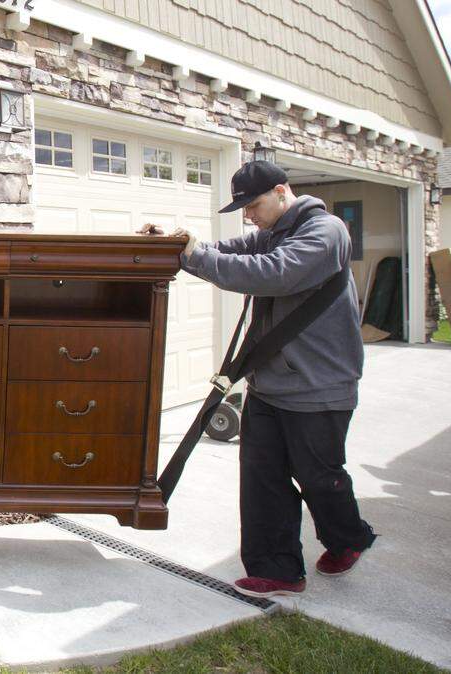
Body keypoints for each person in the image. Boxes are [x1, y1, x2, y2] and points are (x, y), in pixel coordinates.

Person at [139, 160, 376, 598]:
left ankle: (348, 537)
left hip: (319, 386)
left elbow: (273, 273)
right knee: (262, 477)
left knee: (320, 478)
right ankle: (279, 570)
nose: (248, 216)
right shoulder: (275, 233)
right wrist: (179, 244)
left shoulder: (325, 232)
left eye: (254, 205)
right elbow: (230, 252)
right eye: (243, 209)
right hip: (269, 384)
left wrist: (195, 254)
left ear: (283, 192)